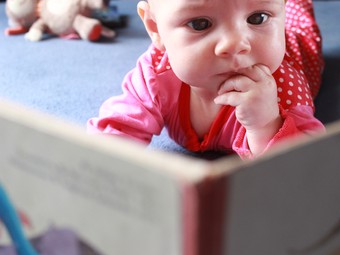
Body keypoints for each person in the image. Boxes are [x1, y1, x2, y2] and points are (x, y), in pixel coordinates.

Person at [87, 0, 325, 159]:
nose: (236, 44)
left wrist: (266, 125)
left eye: (258, 17)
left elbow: (309, 169)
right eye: (200, 24)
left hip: (296, 50)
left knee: (302, 30)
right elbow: (116, 132)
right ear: (155, 28)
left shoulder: (283, 91)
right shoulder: (156, 72)